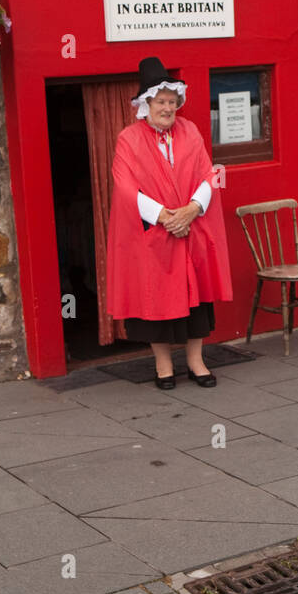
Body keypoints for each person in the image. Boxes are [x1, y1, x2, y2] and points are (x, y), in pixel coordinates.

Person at [106, 57, 233, 389]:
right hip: (157, 233)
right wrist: (166, 218)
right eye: (161, 102)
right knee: (154, 300)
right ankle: (163, 365)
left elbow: (209, 174)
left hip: (192, 228)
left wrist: (192, 209)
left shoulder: (190, 131)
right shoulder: (128, 139)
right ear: (146, 103)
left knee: (197, 303)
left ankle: (195, 361)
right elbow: (124, 186)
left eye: (172, 102)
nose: (167, 108)